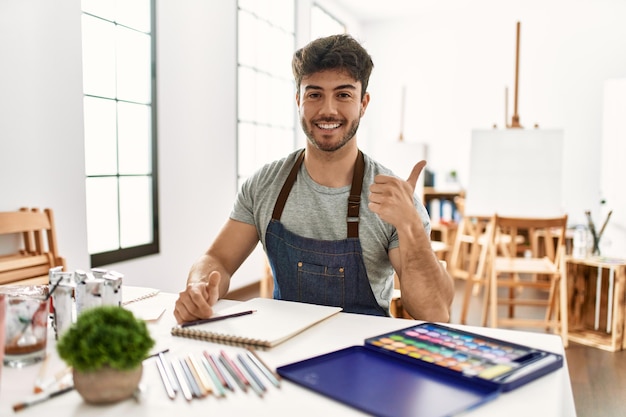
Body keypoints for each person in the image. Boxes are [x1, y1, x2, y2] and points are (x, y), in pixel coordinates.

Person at [174, 34, 454, 323]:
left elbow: (434, 312)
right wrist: (199, 285)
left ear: (363, 103)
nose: (328, 109)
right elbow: (217, 259)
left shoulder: (393, 196)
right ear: (298, 100)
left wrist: (411, 228)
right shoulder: (264, 186)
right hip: (282, 348)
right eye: (314, 94)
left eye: (343, 94)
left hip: (363, 355)